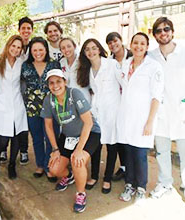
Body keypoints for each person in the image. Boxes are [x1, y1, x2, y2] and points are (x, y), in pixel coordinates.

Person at [149, 17, 185, 218]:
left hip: (184, 116)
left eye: (166, 29)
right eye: (158, 30)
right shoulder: (150, 56)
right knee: (161, 153)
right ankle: (164, 183)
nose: (163, 33)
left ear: (172, 32)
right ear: (154, 35)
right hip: (160, 116)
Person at [42, 69, 100, 213]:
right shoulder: (49, 99)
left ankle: (81, 194)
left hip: (89, 133)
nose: (55, 86)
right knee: (54, 169)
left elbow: (88, 123)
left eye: (58, 82)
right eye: (51, 83)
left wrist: (79, 150)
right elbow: (48, 126)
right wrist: (55, 150)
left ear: (65, 82)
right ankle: (69, 176)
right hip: (68, 136)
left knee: (77, 161)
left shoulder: (75, 94)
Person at [117, 32, 164, 205]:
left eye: (142, 43)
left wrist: (150, 121)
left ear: (146, 46)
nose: (138, 46)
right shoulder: (126, 64)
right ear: (130, 44)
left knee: (140, 155)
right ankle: (129, 185)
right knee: (128, 154)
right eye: (135, 43)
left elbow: (156, 96)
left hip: (143, 118)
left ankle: (141, 189)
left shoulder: (154, 67)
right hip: (126, 118)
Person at [77, 39, 121, 194]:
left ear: (100, 49)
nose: (91, 52)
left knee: (111, 146)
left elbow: (123, 84)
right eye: (87, 49)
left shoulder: (111, 64)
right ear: (84, 53)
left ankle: (107, 178)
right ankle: (94, 176)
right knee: (96, 145)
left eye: (94, 48)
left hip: (112, 111)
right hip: (96, 111)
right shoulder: (86, 69)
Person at [20, 36, 61, 182]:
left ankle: (49, 166)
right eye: (35, 50)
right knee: (37, 138)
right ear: (31, 51)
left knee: (51, 138)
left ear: (46, 50)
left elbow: (60, 85)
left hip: (51, 106)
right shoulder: (25, 65)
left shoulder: (54, 64)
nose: (38, 53)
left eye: (41, 49)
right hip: (32, 107)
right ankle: (39, 165)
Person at [0, 35, 28, 179]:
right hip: (1, 105)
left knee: (17, 136)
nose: (15, 49)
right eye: (13, 46)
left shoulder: (22, 62)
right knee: (3, 139)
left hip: (17, 104)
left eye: (18, 47)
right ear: (8, 45)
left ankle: (12, 164)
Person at [0, 16, 34, 165]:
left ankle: (23, 150)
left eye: (28, 28)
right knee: (6, 123)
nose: (26, 31)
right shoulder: (9, 49)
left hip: (25, 90)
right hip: (9, 92)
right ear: (19, 29)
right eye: (23, 28)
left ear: (31, 30)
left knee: (22, 123)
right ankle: (2, 150)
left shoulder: (33, 45)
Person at [101, 32, 133, 182]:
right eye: (110, 43)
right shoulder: (109, 61)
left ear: (121, 41)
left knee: (129, 139)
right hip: (115, 104)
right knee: (118, 138)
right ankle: (124, 168)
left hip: (131, 103)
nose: (113, 45)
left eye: (115, 41)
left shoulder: (133, 57)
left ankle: (132, 170)